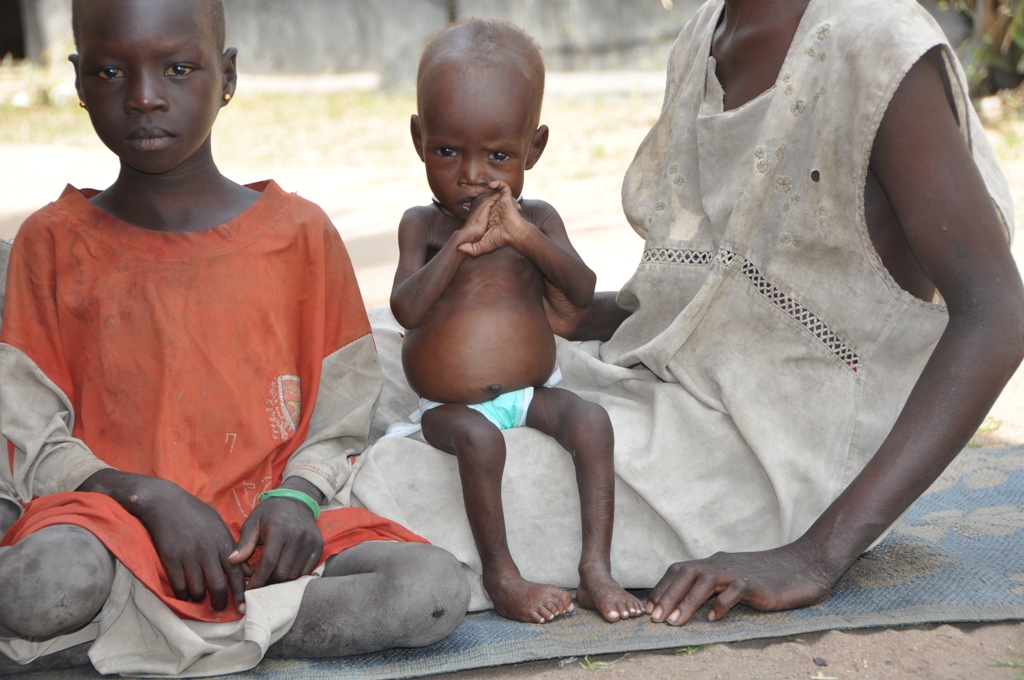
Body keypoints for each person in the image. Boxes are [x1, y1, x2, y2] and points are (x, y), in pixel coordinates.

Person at [349, 0, 1024, 626]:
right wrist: (562, 310)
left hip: (778, 458)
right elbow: (720, 300)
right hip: (674, 388)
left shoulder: (875, 43)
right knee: (361, 353)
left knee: (403, 481)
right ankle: (300, 492)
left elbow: (999, 314)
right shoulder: (708, 32)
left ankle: (315, 518)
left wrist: (816, 555)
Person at [0, 0, 469, 676]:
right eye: (110, 71)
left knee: (429, 591)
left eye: (179, 68)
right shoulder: (52, 242)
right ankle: (182, 630)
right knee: (43, 585)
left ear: (227, 77)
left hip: (261, 545)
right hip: (108, 532)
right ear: (77, 82)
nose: (144, 97)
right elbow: (29, 433)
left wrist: (297, 498)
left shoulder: (299, 236)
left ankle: (137, 640)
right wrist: (147, 498)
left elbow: (338, 417)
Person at [387, 20, 643, 625]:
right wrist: (457, 247)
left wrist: (524, 237)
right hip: (448, 408)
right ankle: (502, 576)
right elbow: (406, 309)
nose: (472, 175)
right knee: (481, 439)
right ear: (420, 139)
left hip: (531, 394)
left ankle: (597, 569)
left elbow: (579, 293)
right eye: (447, 151)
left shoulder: (539, 218)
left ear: (535, 148)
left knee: (592, 420)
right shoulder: (422, 227)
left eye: (498, 155)